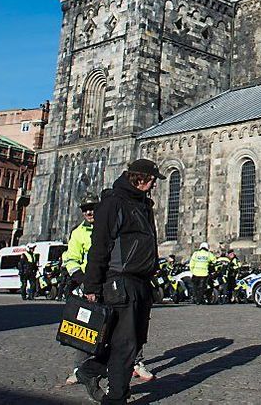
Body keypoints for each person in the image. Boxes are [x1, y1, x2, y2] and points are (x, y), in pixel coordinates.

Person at [77, 159, 162, 404]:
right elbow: (99, 246)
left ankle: (89, 371)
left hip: (140, 281)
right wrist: (92, 285)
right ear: (139, 178)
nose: (154, 183)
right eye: (152, 179)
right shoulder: (114, 202)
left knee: (131, 340)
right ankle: (117, 398)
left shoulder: (143, 204)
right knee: (124, 343)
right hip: (120, 280)